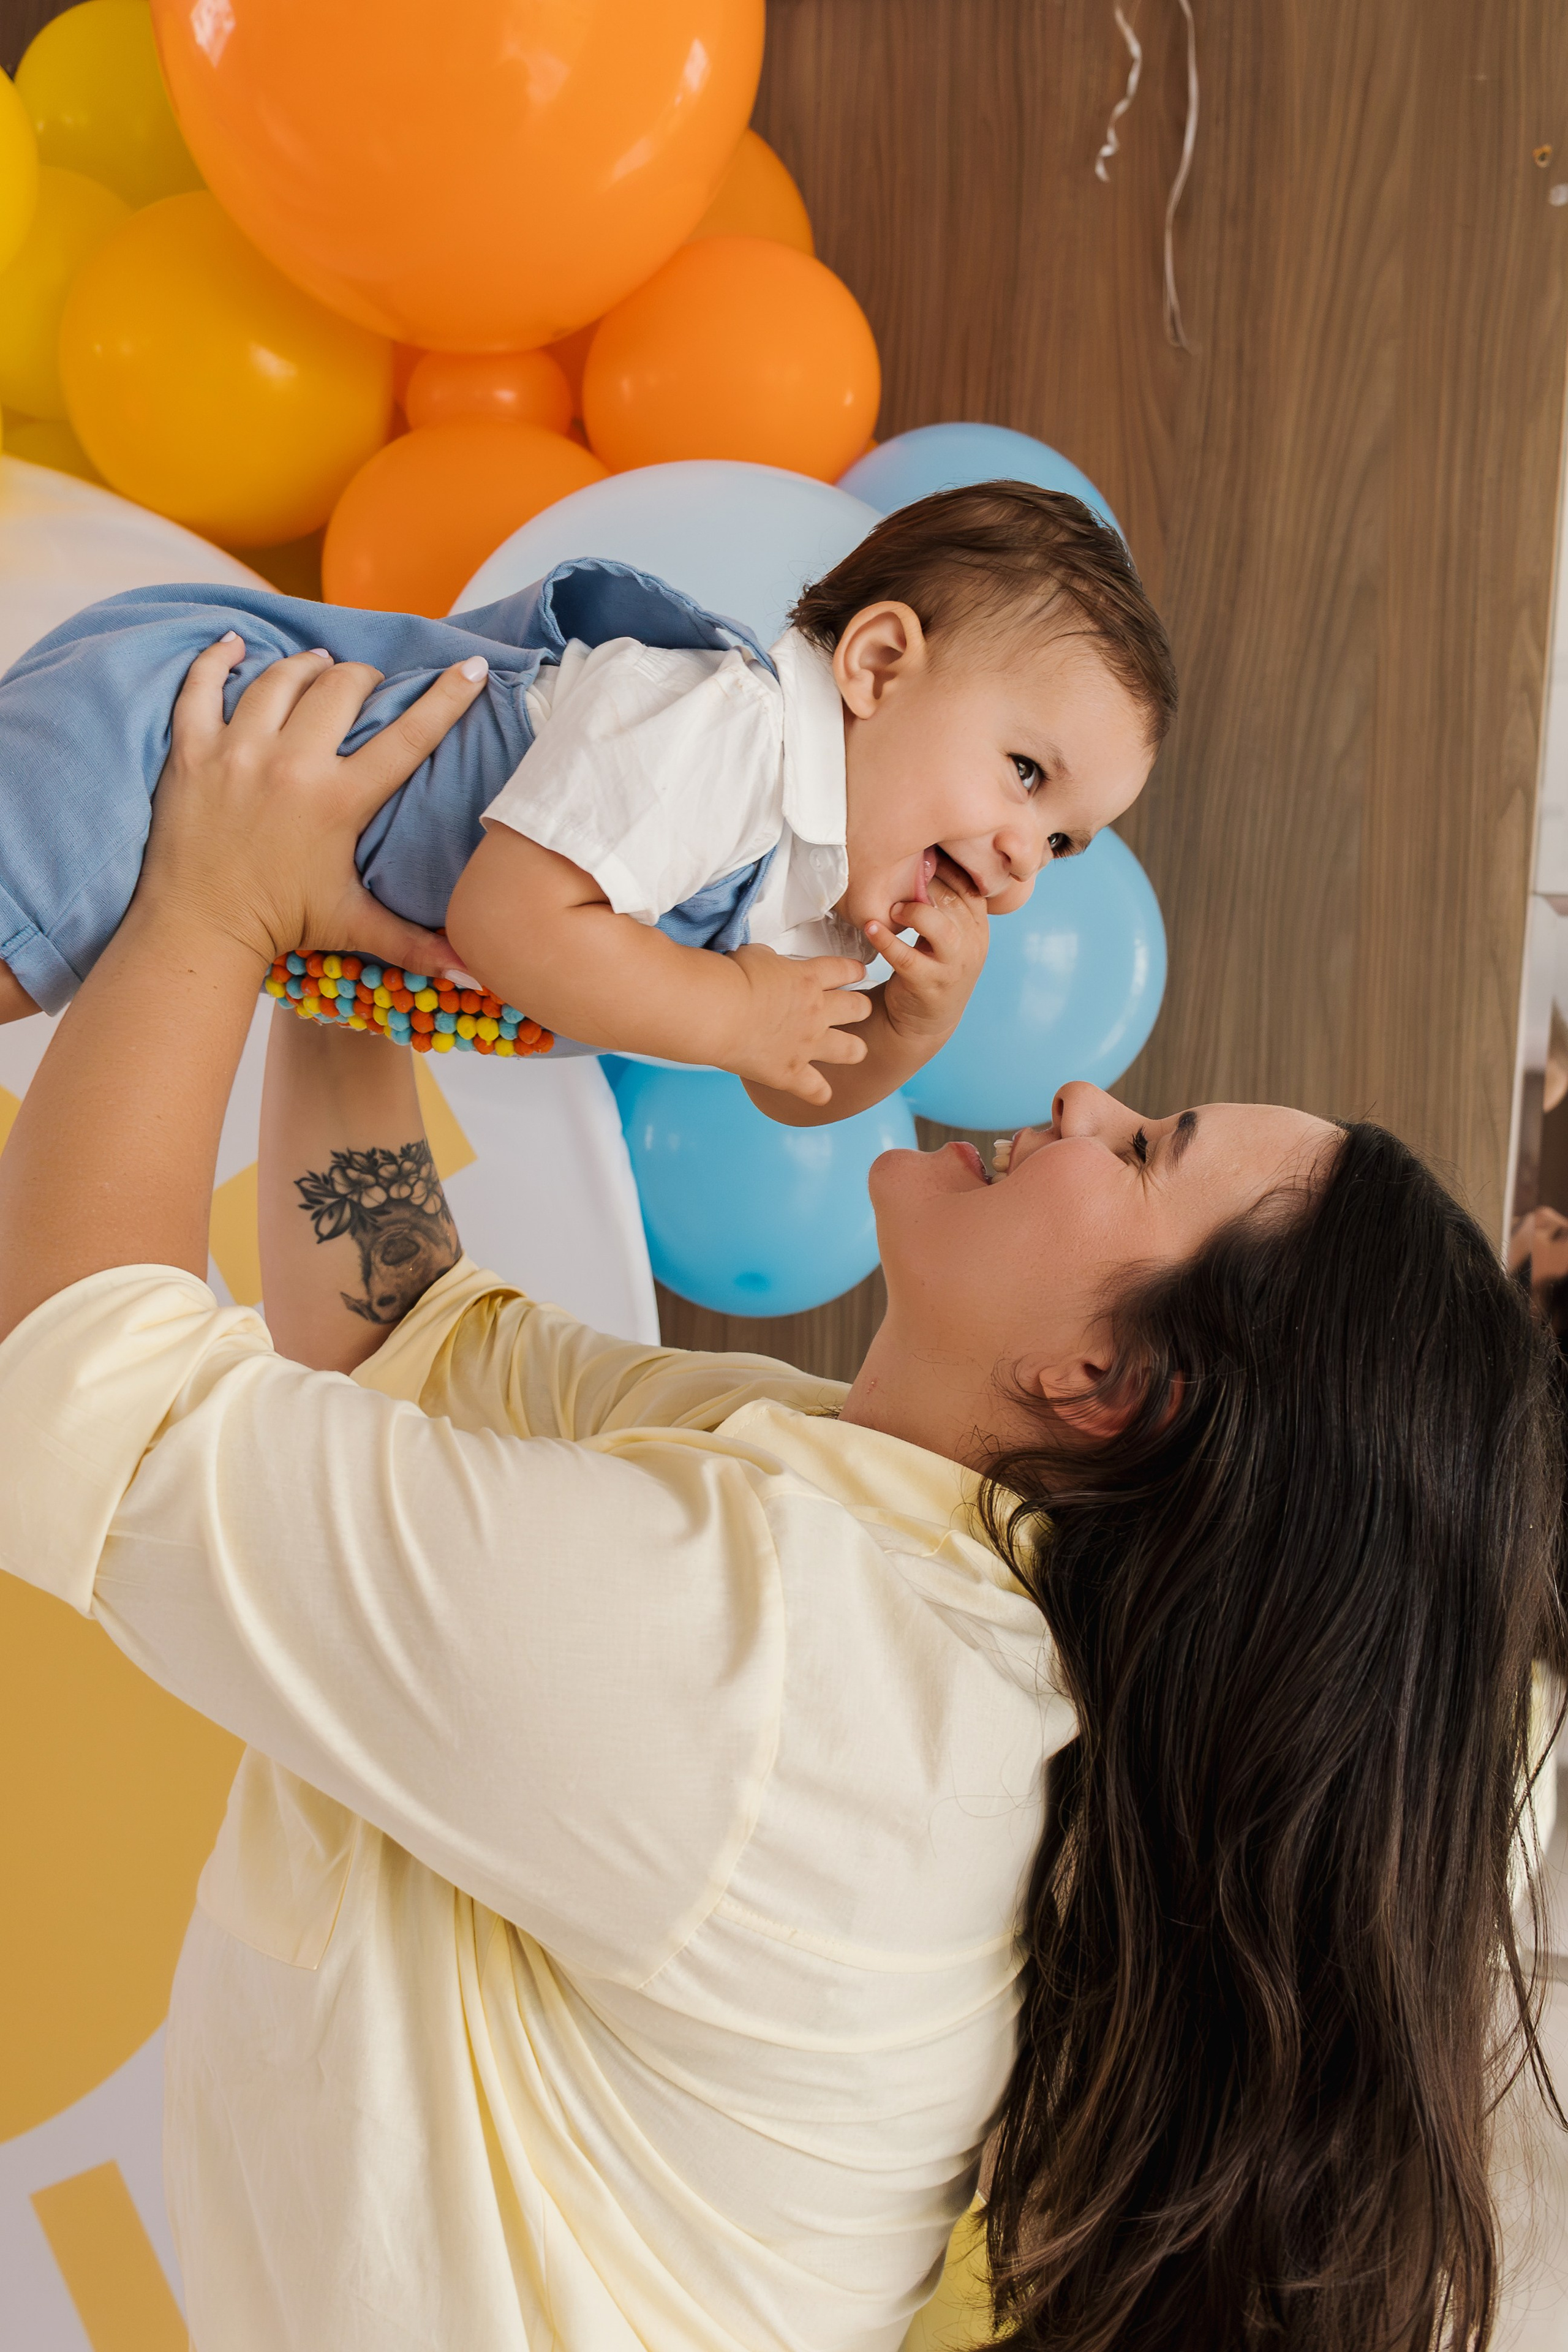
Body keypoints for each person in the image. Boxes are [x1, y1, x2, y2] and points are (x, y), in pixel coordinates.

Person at [0, 641, 1558, 2352]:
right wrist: (349, 932)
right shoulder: (885, 1527)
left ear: (1110, 1386)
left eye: (1139, 1149)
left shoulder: (788, 1681)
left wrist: (214, 909)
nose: (1076, 1097)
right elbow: (399, 1334)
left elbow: (82, 1389)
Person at [0, 482, 1169, 1121]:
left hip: (233, 847)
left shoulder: (807, 896)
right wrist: (734, 1015)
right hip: (180, 742)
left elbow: (795, 1087)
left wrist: (910, 1027)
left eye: (1067, 842)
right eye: (1027, 775)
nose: (1027, 856)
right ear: (871, 668)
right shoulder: (729, 735)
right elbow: (511, 919)